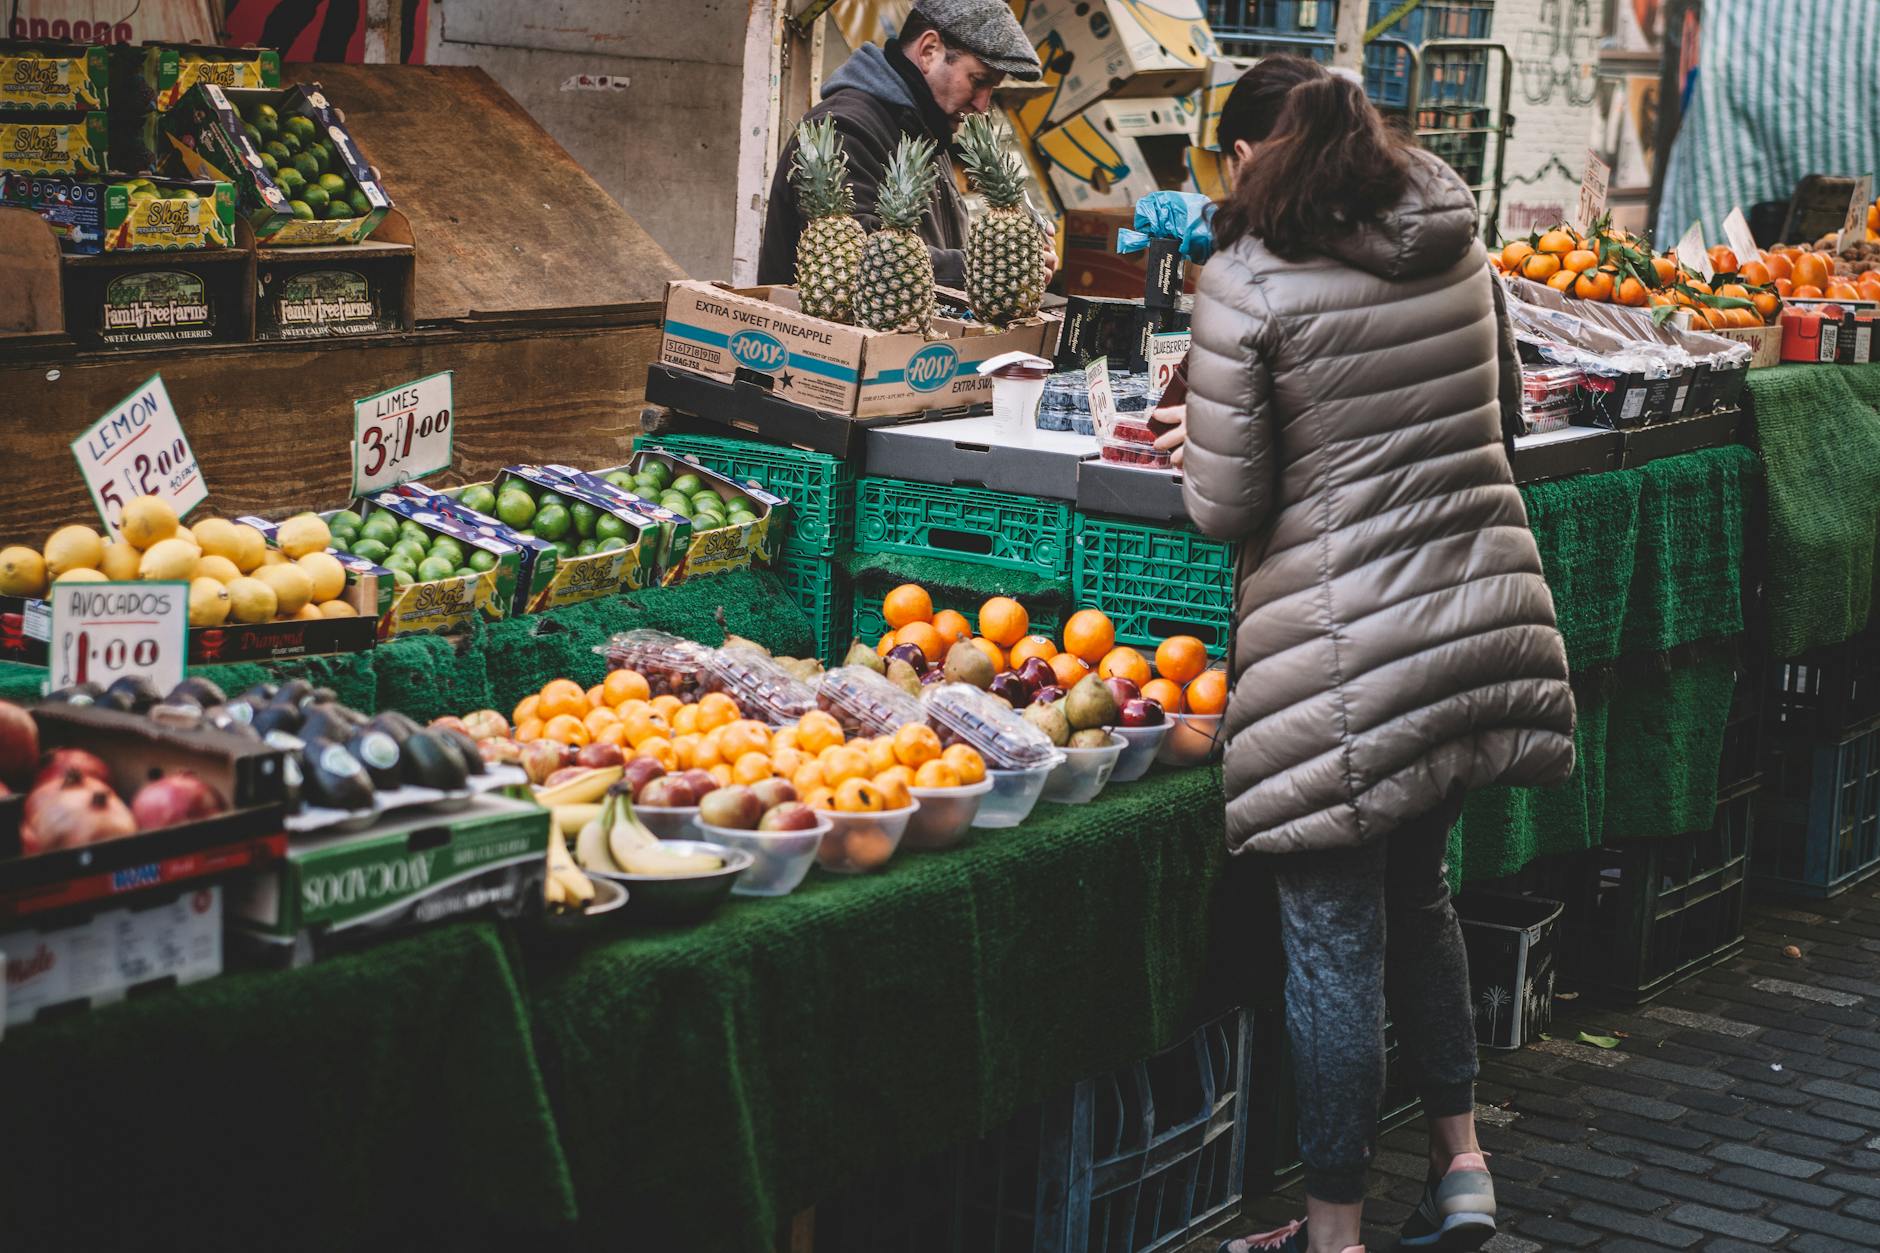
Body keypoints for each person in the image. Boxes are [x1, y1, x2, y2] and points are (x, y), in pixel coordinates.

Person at [1178, 58, 1578, 1253]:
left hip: (1342, 658)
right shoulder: (1456, 244)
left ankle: (1331, 1229)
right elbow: (1503, 407)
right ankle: (1462, 1163)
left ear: (1253, 156)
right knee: (1421, 898)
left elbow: (1220, 499)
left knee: (1333, 945)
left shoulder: (1245, 281)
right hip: (1470, 621)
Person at [757, 0, 1058, 292]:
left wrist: (1010, 255)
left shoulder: (927, 130)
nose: (983, 104)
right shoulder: (844, 128)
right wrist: (988, 268)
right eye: (978, 81)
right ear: (929, 51)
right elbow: (857, 257)